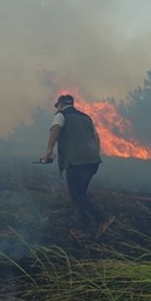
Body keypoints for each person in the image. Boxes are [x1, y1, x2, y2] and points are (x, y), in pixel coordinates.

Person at [41, 94, 115, 236]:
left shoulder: (60, 115)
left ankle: (104, 218)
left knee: (76, 196)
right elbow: (96, 137)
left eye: (57, 106)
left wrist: (49, 150)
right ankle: (84, 227)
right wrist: (93, 154)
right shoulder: (86, 118)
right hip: (92, 162)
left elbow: (55, 128)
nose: (57, 108)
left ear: (60, 104)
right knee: (80, 194)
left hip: (76, 163)